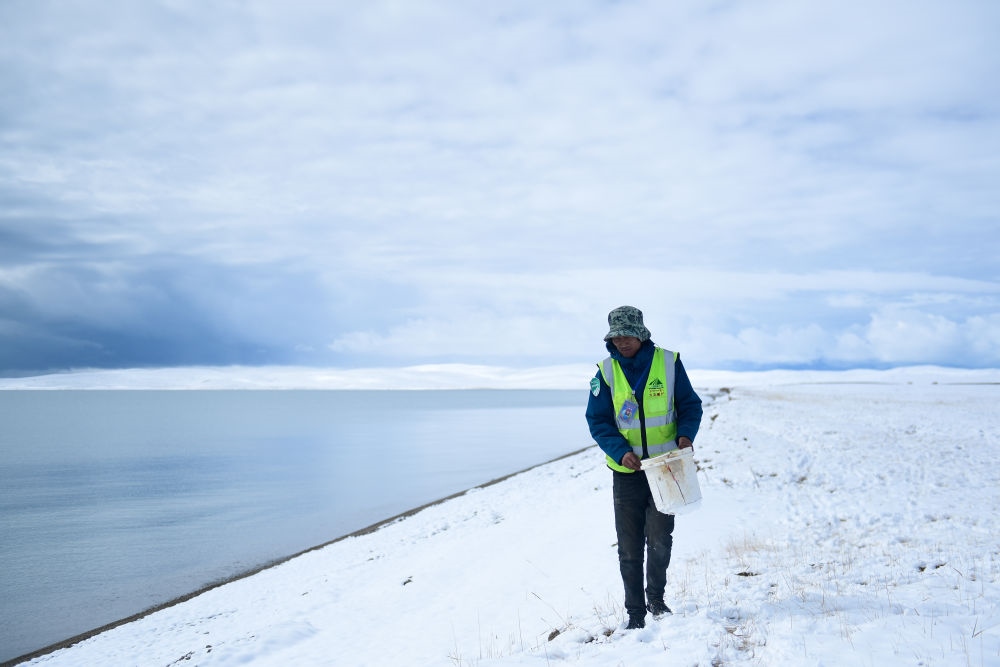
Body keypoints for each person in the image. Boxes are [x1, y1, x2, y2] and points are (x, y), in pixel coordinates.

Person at [585, 305, 703, 630]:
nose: (621, 342)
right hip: (627, 474)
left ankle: (657, 601)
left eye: (627, 335)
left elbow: (690, 405)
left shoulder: (669, 362)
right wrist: (620, 452)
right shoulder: (605, 372)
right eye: (616, 337)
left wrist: (685, 435)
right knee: (629, 548)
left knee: (661, 540)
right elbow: (597, 421)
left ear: (640, 334)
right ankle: (635, 614)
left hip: (665, 470)